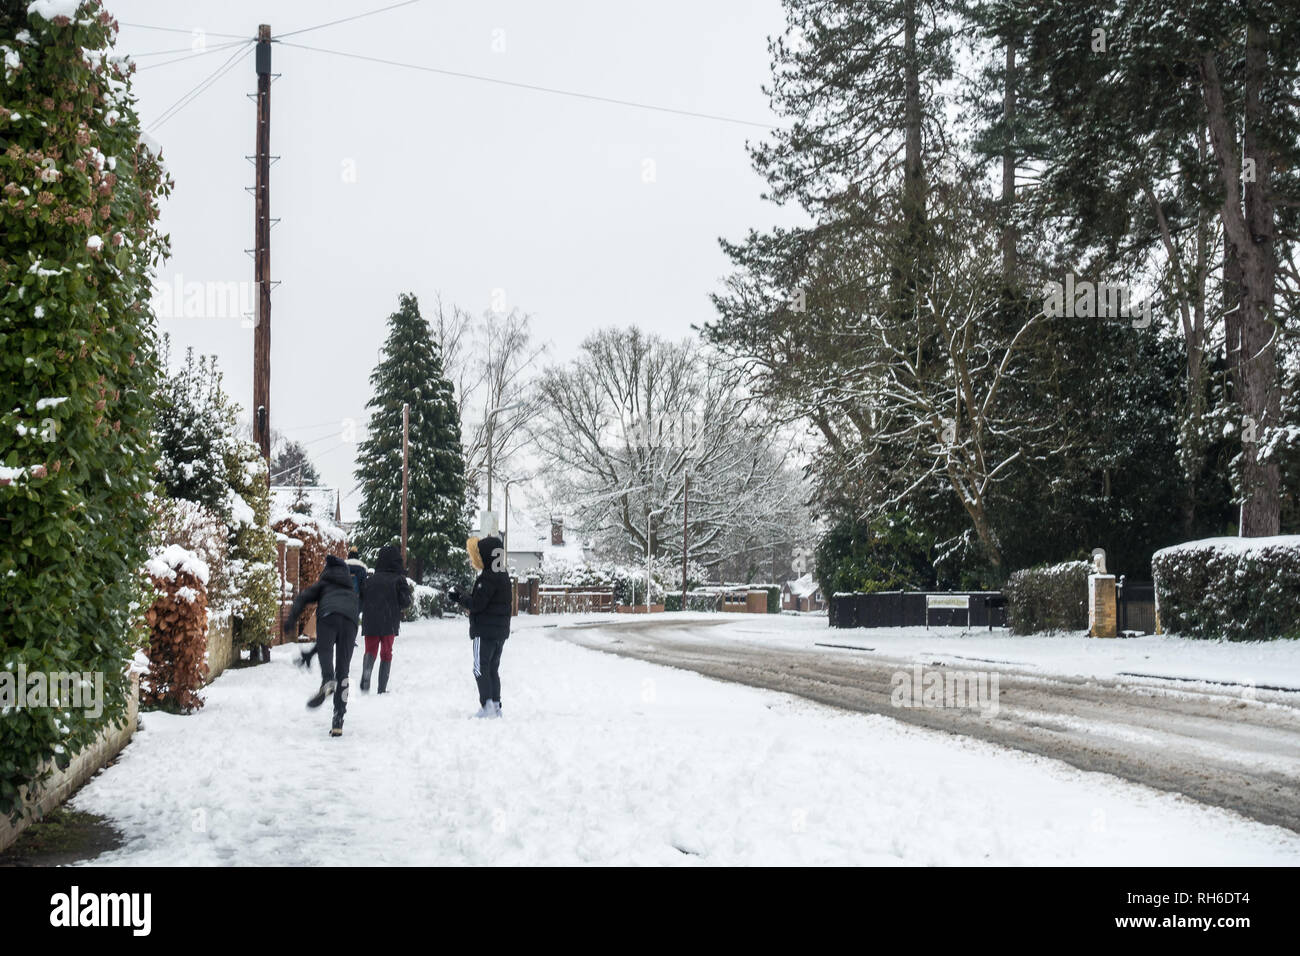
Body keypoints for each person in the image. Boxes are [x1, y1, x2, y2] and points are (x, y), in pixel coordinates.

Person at [283, 553, 361, 736]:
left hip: (328, 618)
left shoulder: (324, 585)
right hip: (350, 623)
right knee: (344, 672)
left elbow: (302, 598)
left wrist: (291, 619)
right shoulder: (351, 592)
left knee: (327, 653)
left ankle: (327, 679)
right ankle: (338, 719)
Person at [449, 535, 511, 718]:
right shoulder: (503, 575)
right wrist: (466, 594)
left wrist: (459, 597)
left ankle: (487, 706)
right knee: (492, 668)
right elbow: (486, 600)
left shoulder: (487, 577)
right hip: (500, 632)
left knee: (480, 668)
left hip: (484, 631)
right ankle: (495, 705)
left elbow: (477, 604)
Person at [295, 549, 367, 671]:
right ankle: (342, 677)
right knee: (346, 630)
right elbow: (363, 587)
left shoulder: (343, 566)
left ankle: (326, 676)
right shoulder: (362, 567)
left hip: (331, 607)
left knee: (327, 637)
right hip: (352, 602)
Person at [359, 544, 413, 694]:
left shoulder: (370, 579)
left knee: (370, 650)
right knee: (386, 652)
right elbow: (406, 601)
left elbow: (362, 598)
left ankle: (367, 674)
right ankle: (381, 689)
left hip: (370, 621)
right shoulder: (399, 579)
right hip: (389, 620)